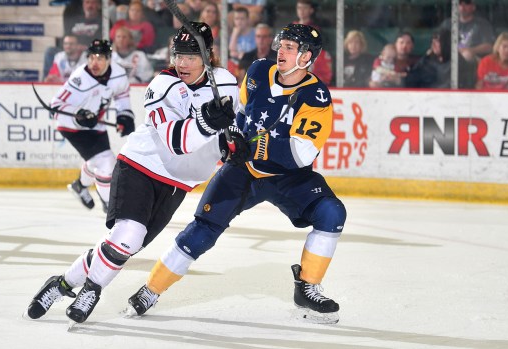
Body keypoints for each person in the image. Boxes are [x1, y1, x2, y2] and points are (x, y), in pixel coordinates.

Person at [125, 23, 346, 325]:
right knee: (202, 230)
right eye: (280, 45)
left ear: (307, 57)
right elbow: (239, 111)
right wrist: (232, 135)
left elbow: (301, 153)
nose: (281, 51)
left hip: (288, 177)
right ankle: (151, 288)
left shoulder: (316, 97)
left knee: (332, 213)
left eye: (290, 48)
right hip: (242, 169)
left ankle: (307, 287)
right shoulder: (257, 71)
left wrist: (258, 146)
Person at [25, 22, 241, 325]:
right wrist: (207, 123)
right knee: (128, 236)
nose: (182, 64)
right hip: (141, 166)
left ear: (208, 56)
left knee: (123, 245)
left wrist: (233, 141)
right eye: (177, 55)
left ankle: (61, 284)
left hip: (179, 183)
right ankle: (92, 289)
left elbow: (234, 126)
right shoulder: (161, 86)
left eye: (191, 56)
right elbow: (177, 142)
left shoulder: (226, 81)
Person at [48, 39, 134, 213]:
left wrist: (124, 116)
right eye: (91, 57)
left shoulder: (118, 74)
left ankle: (79, 186)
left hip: (96, 126)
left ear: (109, 59)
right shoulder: (80, 79)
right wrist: (79, 118)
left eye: (100, 58)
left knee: (95, 160)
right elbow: (55, 107)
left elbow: (122, 95)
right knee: (106, 162)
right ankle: (110, 206)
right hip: (72, 128)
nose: (94, 62)